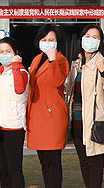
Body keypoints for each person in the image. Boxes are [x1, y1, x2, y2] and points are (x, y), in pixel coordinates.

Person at [64, 25, 104, 188]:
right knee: (84, 163)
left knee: (95, 165)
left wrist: (103, 71)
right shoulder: (76, 63)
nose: (90, 40)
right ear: (81, 39)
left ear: (100, 42)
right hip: (77, 123)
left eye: (95, 37)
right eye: (88, 36)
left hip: (95, 123)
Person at [25, 25, 69, 188]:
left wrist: (52, 61)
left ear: (58, 42)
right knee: (44, 162)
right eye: (44, 39)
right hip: (37, 116)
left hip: (52, 118)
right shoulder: (37, 58)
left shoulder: (61, 60)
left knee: (52, 163)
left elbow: (58, 82)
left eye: (51, 40)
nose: (47, 42)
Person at [0, 37, 29, 188]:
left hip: (14, 127)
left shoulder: (21, 71)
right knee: (3, 170)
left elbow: (19, 89)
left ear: (15, 53)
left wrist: (16, 64)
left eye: (8, 51)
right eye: (1, 51)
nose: (4, 54)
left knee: (14, 170)